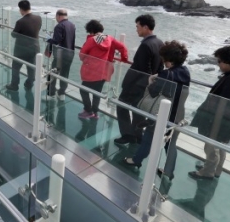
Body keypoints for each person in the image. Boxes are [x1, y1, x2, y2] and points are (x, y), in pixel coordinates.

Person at [124, 41, 190, 177]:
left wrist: (151, 80)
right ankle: (168, 171)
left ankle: (136, 160)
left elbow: (154, 92)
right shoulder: (186, 72)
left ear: (169, 60)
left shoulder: (167, 74)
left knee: (149, 137)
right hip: (178, 113)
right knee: (170, 144)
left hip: (163, 113)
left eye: (164, 58)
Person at [189, 46, 230, 180]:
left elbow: (223, 103)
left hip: (219, 119)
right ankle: (216, 170)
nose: (218, 64)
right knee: (221, 145)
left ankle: (207, 172)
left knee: (211, 146)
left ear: (228, 62)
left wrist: (211, 121)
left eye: (220, 61)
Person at [115, 14, 164, 145]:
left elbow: (142, 70)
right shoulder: (160, 43)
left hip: (136, 86)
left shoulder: (146, 45)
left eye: (138, 26)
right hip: (147, 86)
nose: (136, 29)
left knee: (121, 106)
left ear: (145, 27)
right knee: (138, 112)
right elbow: (160, 67)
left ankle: (127, 135)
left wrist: (130, 86)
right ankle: (137, 136)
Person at [78, 20, 128, 119]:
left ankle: (88, 111)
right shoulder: (110, 38)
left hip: (91, 72)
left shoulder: (91, 40)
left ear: (91, 31)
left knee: (83, 90)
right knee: (97, 92)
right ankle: (95, 113)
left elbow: (81, 55)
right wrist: (124, 59)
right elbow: (122, 47)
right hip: (104, 72)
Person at [5, 0, 42, 91]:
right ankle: (29, 83)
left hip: (21, 50)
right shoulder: (38, 18)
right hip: (34, 48)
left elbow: (14, 35)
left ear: (21, 9)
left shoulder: (20, 22)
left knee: (16, 67)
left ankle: (14, 85)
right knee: (32, 68)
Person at [45, 9, 76, 100]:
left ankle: (51, 94)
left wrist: (48, 38)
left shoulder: (59, 26)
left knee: (53, 73)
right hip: (70, 53)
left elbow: (56, 41)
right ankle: (62, 94)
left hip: (61, 54)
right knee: (65, 74)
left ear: (58, 16)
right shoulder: (72, 25)